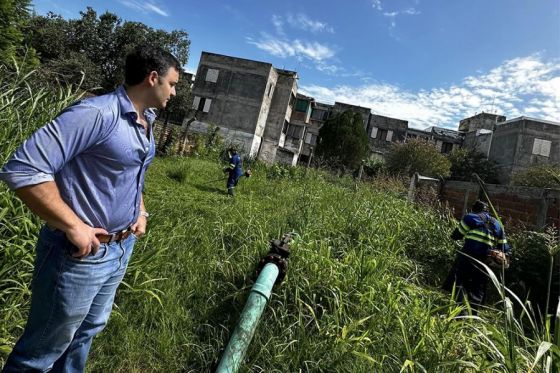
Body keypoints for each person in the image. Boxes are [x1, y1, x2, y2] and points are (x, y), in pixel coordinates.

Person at [0, 45, 180, 372]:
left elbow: (132, 172)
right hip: (80, 255)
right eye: (172, 84)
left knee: (85, 333)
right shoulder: (97, 114)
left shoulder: (146, 120)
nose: (174, 92)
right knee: (42, 350)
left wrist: (139, 209)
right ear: (153, 79)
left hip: (120, 248)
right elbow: (24, 169)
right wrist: (73, 225)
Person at [443, 200, 510, 314]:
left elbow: (457, 235)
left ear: (474, 209)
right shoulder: (498, 225)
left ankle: (460, 312)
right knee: (478, 285)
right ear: (487, 211)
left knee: (460, 281)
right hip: (485, 260)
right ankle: (473, 314)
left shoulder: (470, 218)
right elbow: (504, 247)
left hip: (468, 255)